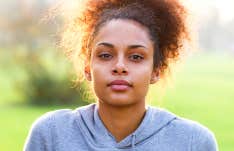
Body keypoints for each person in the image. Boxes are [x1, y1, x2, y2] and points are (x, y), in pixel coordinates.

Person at [24, 0, 218, 150]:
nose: (119, 66)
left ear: (156, 70)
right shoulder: (51, 134)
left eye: (135, 57)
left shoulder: (194, 142)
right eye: (106, 55)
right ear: (87, 67)